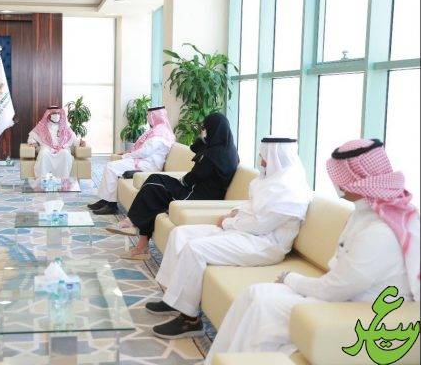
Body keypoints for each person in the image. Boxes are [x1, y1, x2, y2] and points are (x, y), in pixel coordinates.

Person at [204, 139, 419, 363]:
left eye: (340, 177)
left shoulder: (379, 232)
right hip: (345, 295)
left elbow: (336, 288)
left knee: (263, 307)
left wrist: (290, 279)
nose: (337, 184)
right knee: (253, 293)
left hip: (359, 309)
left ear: (357, 181)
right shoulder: (368, 213)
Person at [147, 137, 313, 339]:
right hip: (244, 232)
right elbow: (252, 206)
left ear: (276, 156)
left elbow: (261, 225)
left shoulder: (290, 189)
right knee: (179, 233)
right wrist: (234, 212)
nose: (261, 160)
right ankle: (172, 298)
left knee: (195, 249)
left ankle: (189, 320)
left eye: (264, 156)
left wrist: (227, 222)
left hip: (264, 245)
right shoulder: (270, 180)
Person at [107, 112, 240, 260]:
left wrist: (182, 182)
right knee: (154, 179)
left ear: (214, 129)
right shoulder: (220, 148)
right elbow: (194, 148)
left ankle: (135, 231)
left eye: (206, 128)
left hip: (198, 196)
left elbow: (196, 175)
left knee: (153, 191)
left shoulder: (217, 154)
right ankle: (138, 236)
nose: (204, 131)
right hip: (194, 188)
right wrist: (203, 139)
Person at [88, 106, 176, 215]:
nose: (148, 118)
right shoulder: (158, 130)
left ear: (155, 116)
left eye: (149, 115)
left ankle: (111, 205)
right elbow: (142, 149)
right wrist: (127, 153)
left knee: (111, 167)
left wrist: (126, 156)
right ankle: (105, 200)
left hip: (147, 165)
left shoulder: (160, 133)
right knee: (111, 166)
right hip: (142, 161)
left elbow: (144, 152)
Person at [27, 106, 86, 178]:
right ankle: (43, 179)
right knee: (43, 153)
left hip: (61, 148)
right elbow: (32, 136)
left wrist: (80, 142)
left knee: (65, 153)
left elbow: (73, 138)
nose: (56, 115)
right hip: (47, 148)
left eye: (58, 113)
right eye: (54, 113)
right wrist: (33, 142)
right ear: (48, 115)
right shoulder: (42, 126)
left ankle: (63, 179)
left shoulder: (64, 126)